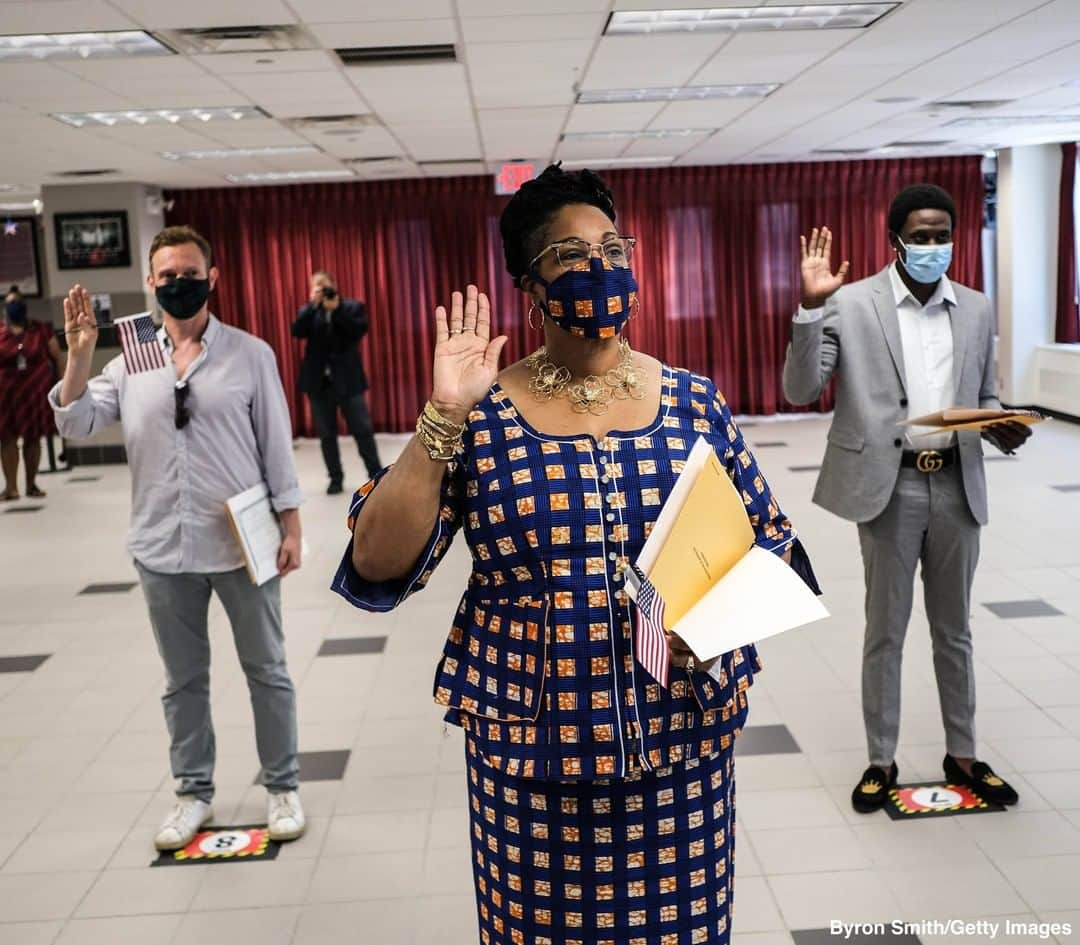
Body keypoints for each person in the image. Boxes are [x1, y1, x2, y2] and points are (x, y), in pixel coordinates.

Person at [333, 165, 817, 945]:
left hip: (680, 751)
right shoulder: (481, 417)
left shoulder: (695, 401)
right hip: (532, 766)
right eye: (570, 254)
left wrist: (720, 617)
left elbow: (772, 542)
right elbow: (379, 560)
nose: (601, 267)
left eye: (613, 246)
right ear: (530, 286)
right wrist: (442, 416)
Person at [49, 225, 307, 850]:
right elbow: (79, 422)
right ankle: (193, 793)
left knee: (266, 668)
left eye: (189, 273)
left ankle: (282, 785)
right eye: (166, 276)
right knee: (182, 680)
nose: (178, 284)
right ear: (150, 282)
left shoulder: (250, 354)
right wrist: (80, 355)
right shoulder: (133, 358)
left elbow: (275, 443)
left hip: (242, 542)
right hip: (161, 547)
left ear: (212, 279)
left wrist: (291, 523)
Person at [782, 184, 1031, 814]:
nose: (932, 246)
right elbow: (799, 388)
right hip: (887, 491)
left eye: (941, 234)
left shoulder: (975, 308)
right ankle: (879, 760)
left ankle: (964, 754)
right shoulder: (852, 303)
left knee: (956, 633)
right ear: (895, 239)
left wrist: (998, 423)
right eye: (919, 236)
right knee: (885, 633)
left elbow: (985, 392)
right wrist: (810, 311)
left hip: (956, 484)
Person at [292, 271, 381, 494]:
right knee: (326, 434)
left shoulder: (351, 307)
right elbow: (297, 331)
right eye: (317, 287)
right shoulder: (309, 311)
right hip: (319, 383)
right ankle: (335, 478)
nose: (323, 290)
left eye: (325, 286)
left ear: (334, 285)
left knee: (362, 430)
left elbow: (358, 330)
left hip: (348, 381)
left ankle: (376, 475)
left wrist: (337, 310)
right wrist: (314, 306)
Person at [1, 286, 63, 499]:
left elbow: (57, 357)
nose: (14, 307)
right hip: (6, 395)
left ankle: (31, 484)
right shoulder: (0, 331)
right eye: (10, 303)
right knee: (7, 438)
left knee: (33, 437)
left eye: (17, 302)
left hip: (34, 392)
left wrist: (63, 386)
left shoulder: (40, 329)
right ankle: (11, 487)